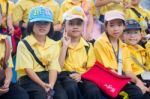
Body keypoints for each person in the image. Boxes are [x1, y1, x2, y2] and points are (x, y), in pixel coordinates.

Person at [94, 10, 150, 99]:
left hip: (119, 79)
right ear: (105, 27)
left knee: (144, 92)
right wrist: (128, 82)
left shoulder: (123, 46)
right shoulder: (100, 42)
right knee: (136, 93)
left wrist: (138, 82)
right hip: (108, 80)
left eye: (119, 25)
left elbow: (128, 71)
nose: (116, 29)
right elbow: (108, 70)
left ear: (124, 26)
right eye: (112, 25)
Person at [16, 6, 66, 99]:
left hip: (48, 76)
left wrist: (50, 85)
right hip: (28, 79)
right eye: (38, 22)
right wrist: (43, 85)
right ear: (31, 24)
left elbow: (53, 68)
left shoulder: (54, 44)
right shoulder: (23, 44)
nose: (42, 26)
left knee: (61, 96)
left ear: (51, 25)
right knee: (40, 95)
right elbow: (28, 70)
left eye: (46, 23)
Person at [58, 6, 102, 99]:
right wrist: (65, 46)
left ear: (83, 26)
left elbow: (91, 68)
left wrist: (81, 75)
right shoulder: (58, 45)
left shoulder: (88, 46)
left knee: (93, 90)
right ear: (64, 26)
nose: (75, 27)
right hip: (65, 76)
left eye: (79, 24)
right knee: (70, 87)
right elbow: (58, 68)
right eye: (71, 23)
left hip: (83, 76)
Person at [0, 12, 29, 99]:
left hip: (1, 81)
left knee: (21, 95)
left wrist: (7, 83)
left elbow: (8, 68)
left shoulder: (4, 41)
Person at [123, 19, 150, 87]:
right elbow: (127, 72)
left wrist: (147, 43)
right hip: (134, 79)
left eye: (135, 32)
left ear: (141, 35)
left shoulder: (142, 48)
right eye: (128, 32)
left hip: (146, 76)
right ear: (122, 36)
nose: (132, 36)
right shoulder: (123, 49)